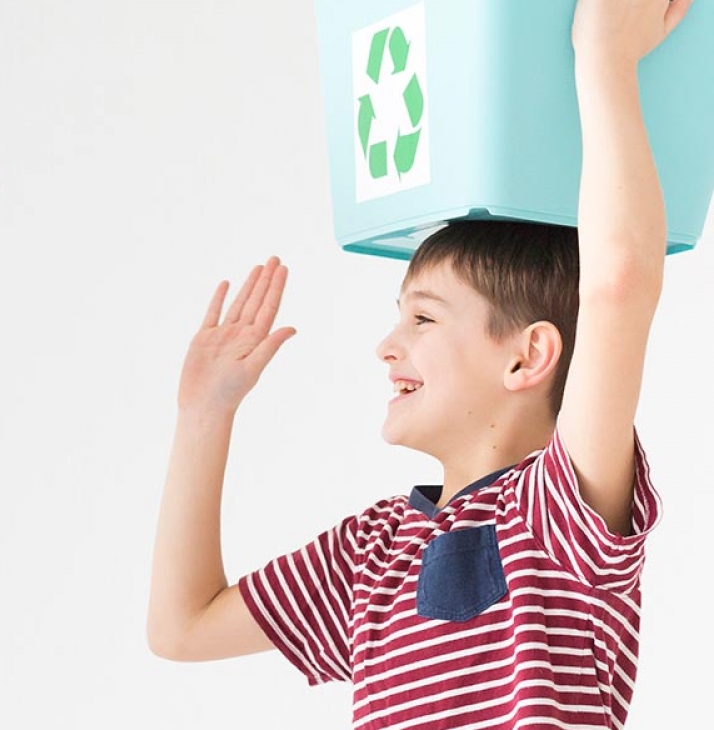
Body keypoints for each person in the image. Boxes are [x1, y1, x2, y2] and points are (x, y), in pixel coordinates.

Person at [147, 1, 688, 727]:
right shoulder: (372, 551)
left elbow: (619, 284)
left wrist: (605, 59)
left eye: (423, 317)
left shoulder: (562, 508)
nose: (386, 345)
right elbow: (182, 627)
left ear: (528, 357)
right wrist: (203, 417)